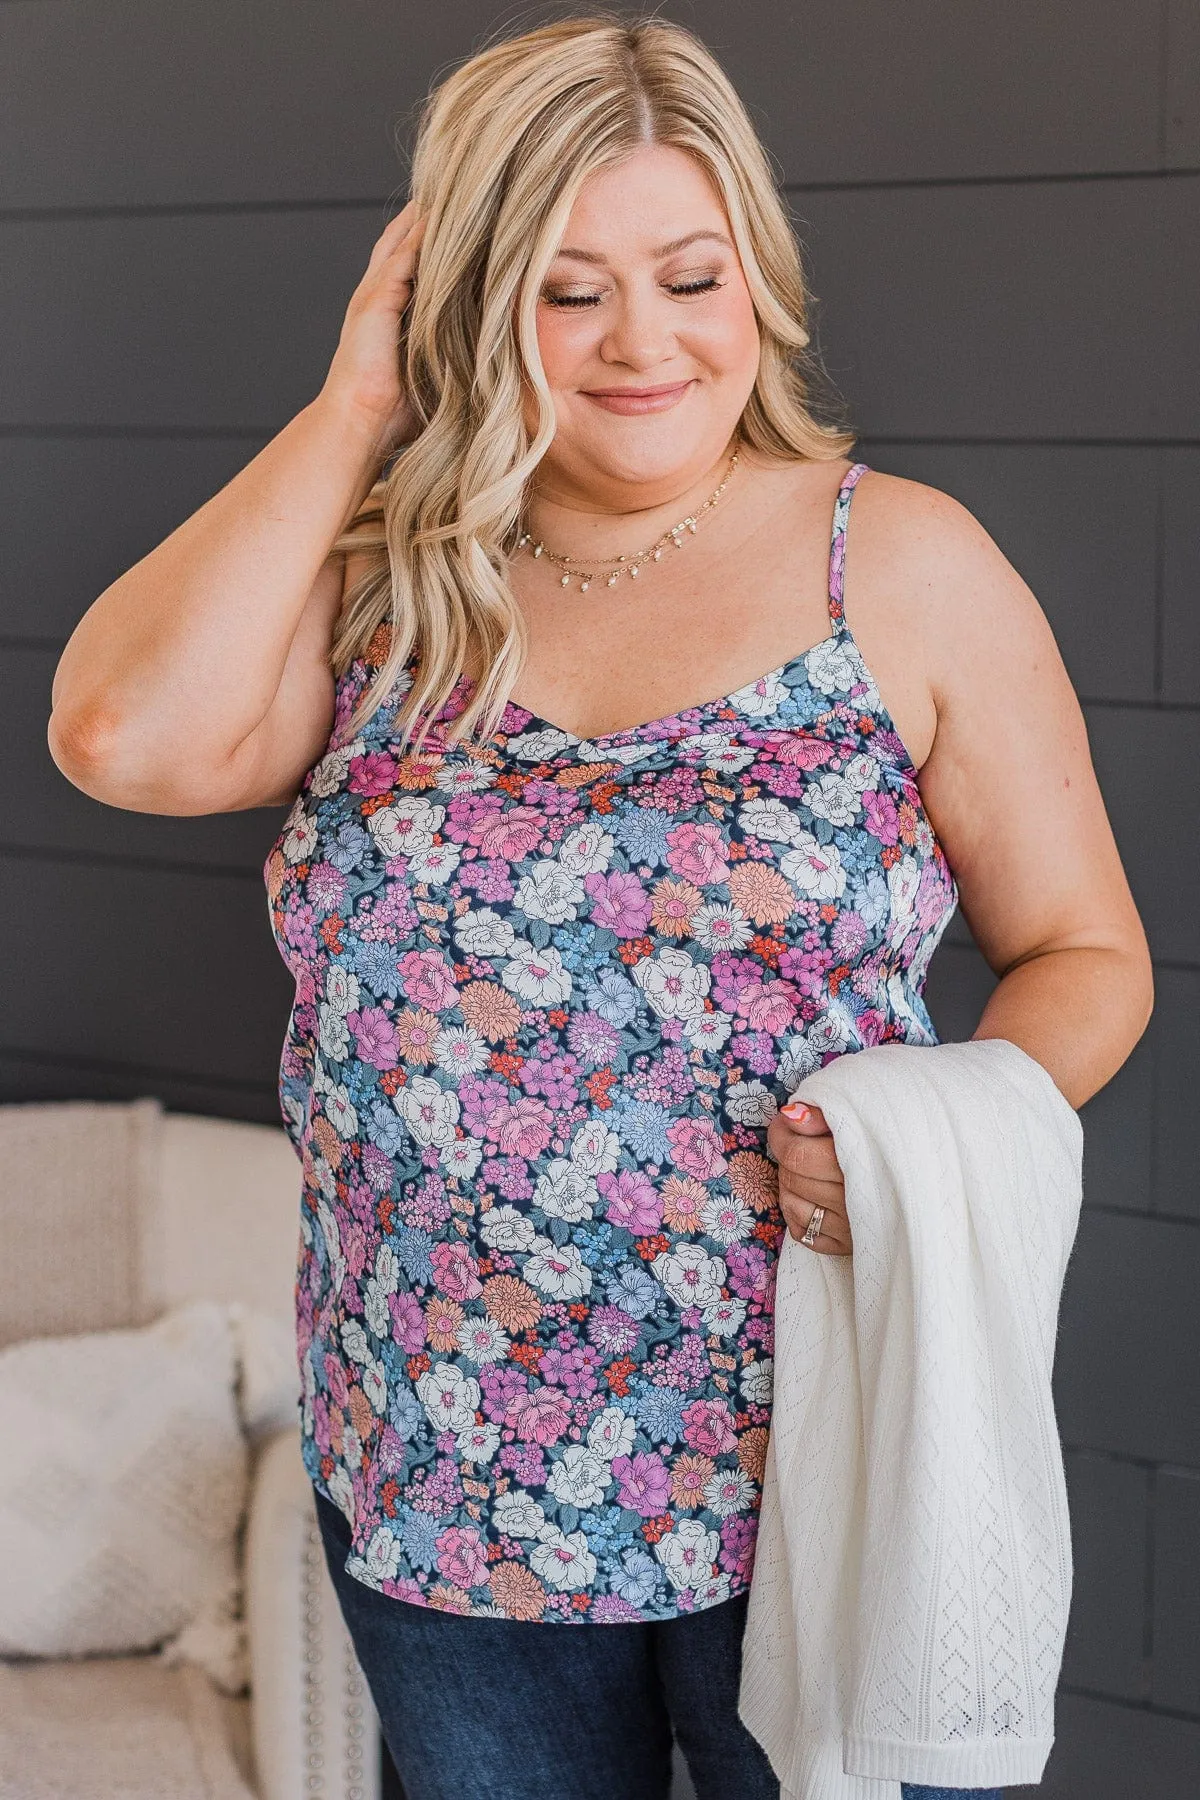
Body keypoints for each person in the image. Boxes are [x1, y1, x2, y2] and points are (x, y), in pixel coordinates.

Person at [47, 14, 1153, 1800]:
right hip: (445, 1455)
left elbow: (1086, 958)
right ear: (470, 309)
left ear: (759, 281)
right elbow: (118, 734)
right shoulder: (376, 592)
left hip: (825, 1449)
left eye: (690, 275)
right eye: (565, 291)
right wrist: (355, 412)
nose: (645, 342)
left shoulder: (913, 569)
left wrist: (936, 1114)